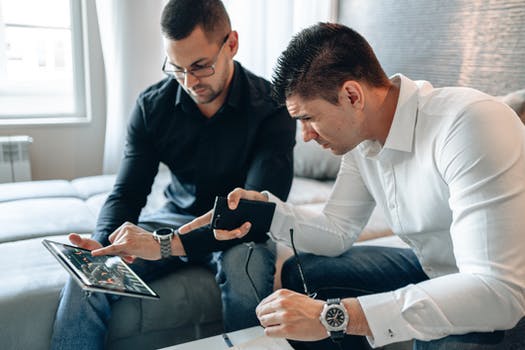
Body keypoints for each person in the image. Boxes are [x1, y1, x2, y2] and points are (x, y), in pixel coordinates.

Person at [177, 23, 525, 349]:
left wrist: (337, 316)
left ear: (352, 95)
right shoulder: (363, 143)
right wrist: (266, 213)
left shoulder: (470, 124)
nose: (306, 136)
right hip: (433, 268)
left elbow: (498, 291)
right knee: (303, 276)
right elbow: (338, 230)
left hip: (498, 295)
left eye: (308, 118)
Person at [49, 0, 295, 349]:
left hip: (241, 231)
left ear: (233, 44)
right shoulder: (153, 106)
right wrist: (103, 243)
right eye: (176, 68)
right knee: (88, 276)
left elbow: (255, 214)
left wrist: (164, 246)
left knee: (245, 274)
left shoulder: (272, 108)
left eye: (200, 66)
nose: (189, 82)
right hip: (174, 218)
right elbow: (128, 192)